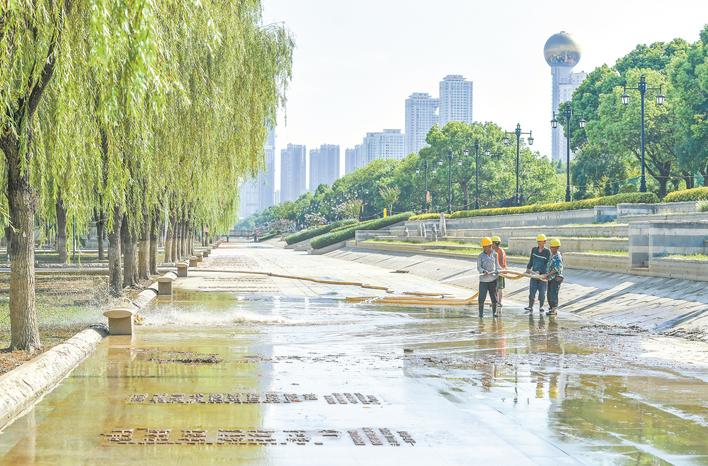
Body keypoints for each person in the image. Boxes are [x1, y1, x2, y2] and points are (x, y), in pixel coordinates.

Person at [525, 234, 551, 313]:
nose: (539, 243)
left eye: (541, 241)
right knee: (532, 291)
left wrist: (541, 272)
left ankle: (541, 306)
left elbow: (547, 264)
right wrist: (528, 268)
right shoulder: (534, 250)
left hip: (542, 276)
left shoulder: (547, 252)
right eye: (538, 241)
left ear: (545, 242)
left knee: (542, 292)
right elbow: (531, 260)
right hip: (533, 274)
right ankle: (530, 306)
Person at [477, 237, 500, 317]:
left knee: (494, 297)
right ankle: (481, 314)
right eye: (483, 247)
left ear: (490, 246)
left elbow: (497, 266)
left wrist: (498, 270)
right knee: (481, 298)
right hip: (483, 281)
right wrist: (483, 271)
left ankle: (494, 312)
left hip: (493, 280)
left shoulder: (495, 254)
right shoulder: (480, 256)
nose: (484, 248)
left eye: (486, 246)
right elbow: (479, 267)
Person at [543, 238, 564, 315]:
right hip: (551, 278)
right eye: (551, 247)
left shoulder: (557, 256)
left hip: (556, 278)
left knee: (553, 294)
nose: (551, 248)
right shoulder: (552, 255)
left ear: (557, 247)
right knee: (549, 293)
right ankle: (551, 308)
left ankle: (554, 310)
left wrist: (547, 275)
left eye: (553, 247)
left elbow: (556, 269)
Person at [491, 235, 507, 307]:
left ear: (494, 243)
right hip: (496, 271)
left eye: (492, 243)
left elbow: (501, 263)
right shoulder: (494, 250)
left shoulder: (500, 251)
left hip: (500, 272)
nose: (491, 245)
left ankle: (499, 302)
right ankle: (495, 302)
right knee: (495, 288)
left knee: (499, 288)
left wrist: (499, 270)